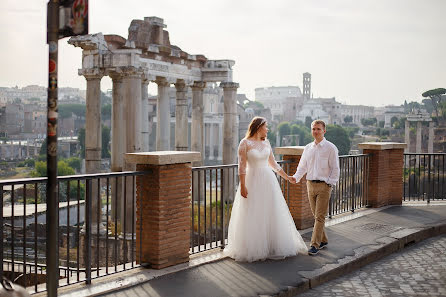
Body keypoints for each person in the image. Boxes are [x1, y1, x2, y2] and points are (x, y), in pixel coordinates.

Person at [224, 116, 307, 262]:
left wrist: (287, 177)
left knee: (270, 211)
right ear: (258, 127)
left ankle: (270, 245)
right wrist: (243, 185)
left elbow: (274, 164)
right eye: (266, 126)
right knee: (253, 212)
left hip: (268, 181)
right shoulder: (245, 143)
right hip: (252, 180)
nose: (267, 129)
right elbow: (241, 166)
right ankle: (253, 247)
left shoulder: (266, 143)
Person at [289, 119, 340, 256]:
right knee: (316, 216)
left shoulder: (331, 148)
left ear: (324, 131)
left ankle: (314, 245)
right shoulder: (308, 148)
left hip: (324, 186)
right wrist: (296, 177)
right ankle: (323, 240)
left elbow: (335, 168)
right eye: (313, 129)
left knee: (319, 217)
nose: (316, 131)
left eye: (318, 129)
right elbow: (303, 166)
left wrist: (330, 183)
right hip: (310, 184)